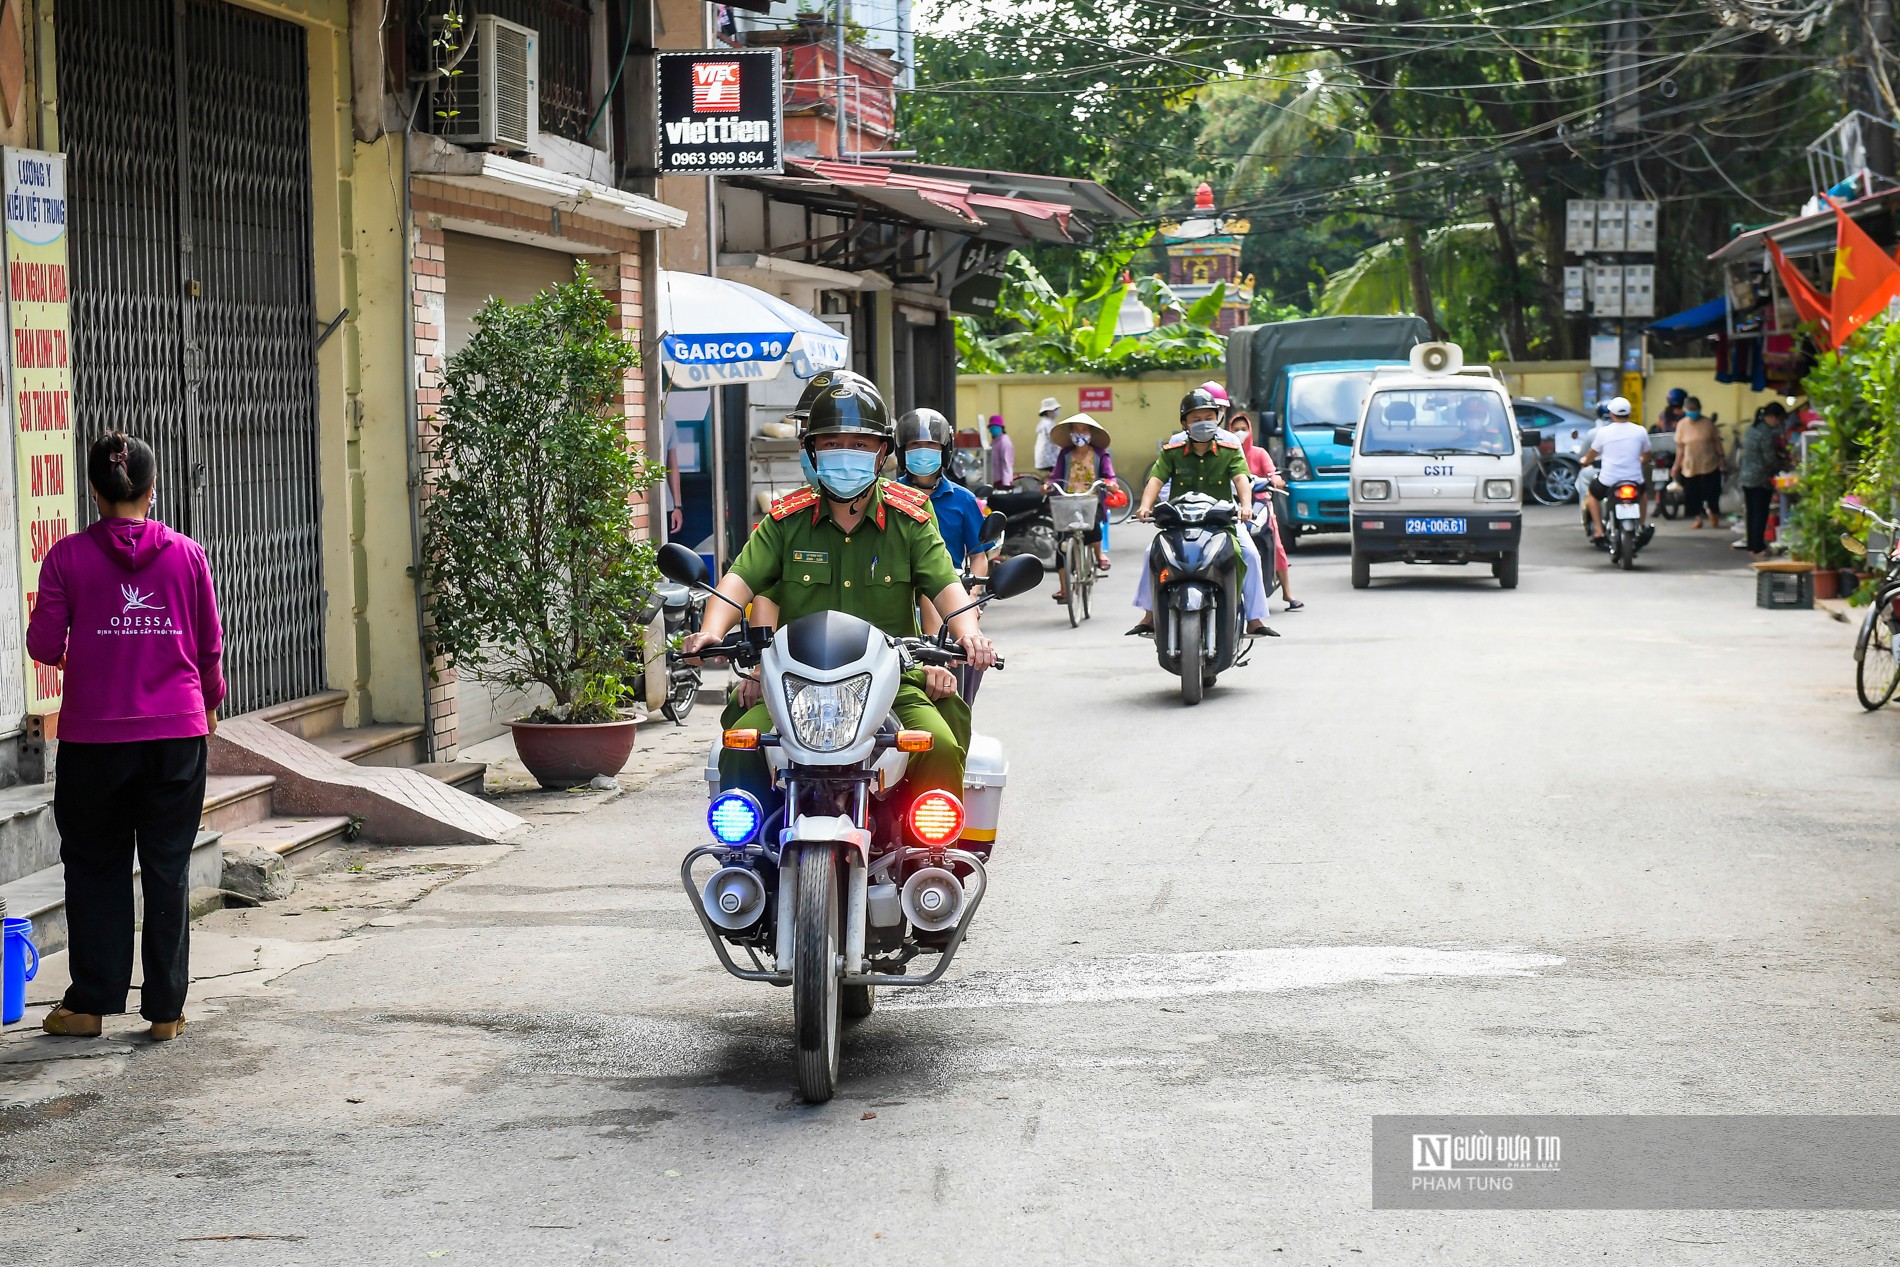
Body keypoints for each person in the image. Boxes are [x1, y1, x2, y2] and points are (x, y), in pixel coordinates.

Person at [682, 371, 996, 814]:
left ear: (882, 452)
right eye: (830, 444)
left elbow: (945, 585)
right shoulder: (785, 520)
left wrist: (969, 635)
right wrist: (711, 632)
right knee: (740, 743)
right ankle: (747, 857)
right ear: (811, 449)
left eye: (859, 444)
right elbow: (740, 581)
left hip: (890, 679)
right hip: (793, 685)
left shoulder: (911, 518)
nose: (844, 454)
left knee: (940, 743)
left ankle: (927, 857)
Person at [27, 432, 225, 1042]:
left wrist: (93, 648)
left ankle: (90, 1004)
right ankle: (165, 1012)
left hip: (94, 740)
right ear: (151, 489)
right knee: (167, 866)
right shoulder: (188, 556)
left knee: (94, 867)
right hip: (176, 736)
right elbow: (209, 648)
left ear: (93, 491)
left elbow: (40, 645)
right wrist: (209, 705)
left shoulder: (65, 557)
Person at [1128, 388, 1277, 638]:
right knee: (1151, 555)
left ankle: (1254, 619)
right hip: (1180, 521)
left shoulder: (1229, 448)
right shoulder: (1172, 450)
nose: (1203, 423)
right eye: (1196, 419)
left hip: (1222, 520)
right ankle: (1150, 615)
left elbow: (1241, 479)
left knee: (1250, 554)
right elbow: (1155, 479)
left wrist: (1246, 506)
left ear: (1218, 418)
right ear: (1184, 422)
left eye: (1209, 417)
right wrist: (1144, 506)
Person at [897, 406, 996, 606]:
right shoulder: (888, 495)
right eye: (915, 444)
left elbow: (978, 555)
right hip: (898, 597)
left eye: (931, 444)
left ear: (944, 450)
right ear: (902, 450)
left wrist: (971, 598)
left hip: (949, 597)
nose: (923, 451)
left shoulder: (963, 499)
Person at [1230, 411, 1303, 611]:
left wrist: (1275, 481)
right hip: (1234, 506)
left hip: (1260, 506)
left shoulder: (1259, 453)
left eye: (1243, 429)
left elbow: (1273, 474)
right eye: (1235, 430)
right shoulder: (1227, 453)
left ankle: (1288, 593)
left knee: (1278, 545)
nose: (1240, 433)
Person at [1044, 414, 1116, 596]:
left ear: (1090, 433)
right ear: (1071, 433)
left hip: (1091, 500)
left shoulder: (1100, 454)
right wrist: (1049, 485)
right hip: (1067, 502)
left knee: (1093, 528)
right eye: (1076, 429)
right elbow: (1055, 475)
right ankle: (1064, 588)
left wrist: (1110, 483)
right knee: (1061, 542)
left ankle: (1099, 554)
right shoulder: (1065, 454)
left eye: (1084, 429)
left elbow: (1109, 475)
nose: (1080, 433)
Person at [1579, 395, 1652, 544]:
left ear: (1612, 415)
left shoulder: (1603, 432)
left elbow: (1592, 453)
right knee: (1643, 496)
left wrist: (1586, 461)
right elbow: (1647, 454)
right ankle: (1641, 525)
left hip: (1609, 481)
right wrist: (1641, 461)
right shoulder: (1640, 431)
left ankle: (1599, 530)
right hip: (1634, 480)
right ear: (1630, 414)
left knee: (1592, 496)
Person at [1671, 396, 1725, 529]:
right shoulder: (1682, 424)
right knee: (1692, 494)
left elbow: (1717, 442)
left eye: (1695, 409)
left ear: (1699, 409)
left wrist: (1721, 458)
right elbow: (1680, 448)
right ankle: (1697, 518)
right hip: (1690, 465)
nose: (1692, 412)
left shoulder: (1708, 423)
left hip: (1709, 463)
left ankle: (1713, 513)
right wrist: (1676, 465)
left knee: (1712, 491)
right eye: (1690, 409)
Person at [1738, 403, 1783, 557]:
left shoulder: (1752, 429)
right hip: (1759, 479)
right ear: (1771, 417)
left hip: (1746, 477)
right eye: (1777, 419)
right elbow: (1769, 459)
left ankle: (1752, 544)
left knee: (1751, 512)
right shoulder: (1765, 433)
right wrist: (1780, 469)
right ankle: (1758, 546)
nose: (1777, 423)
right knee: (1760, 513)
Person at [1032, 396, 1063, 471]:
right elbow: (1055, 438)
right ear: (1049, 411)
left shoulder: (1045, 422)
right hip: (1048, 459)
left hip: (1045, 458)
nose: (1057, 411)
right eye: (1055, 409)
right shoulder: (1048, 424)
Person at [987, 414, 1015, 488]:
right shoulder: (995, 440)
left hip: (1002, 480)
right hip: (995, 478)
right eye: (991, 427)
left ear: (1001, 428)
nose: (992, 429)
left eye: (995, 427)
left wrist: (1006, 482)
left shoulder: (1004, 442)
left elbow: (1006, 463)